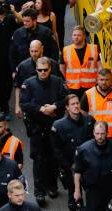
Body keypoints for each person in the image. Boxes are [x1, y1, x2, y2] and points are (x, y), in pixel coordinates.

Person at [20, 56, 69, 204]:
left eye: (45, 70)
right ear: (36, 70)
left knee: (54, 158)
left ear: (50, 69)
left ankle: (52, 186)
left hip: (54, 127)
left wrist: (54, 106)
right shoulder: (28, 84)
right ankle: (39, 191)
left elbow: (66, 98)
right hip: (37, 127)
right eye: (39, 70)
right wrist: (41, 109)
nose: (42, 72)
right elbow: (24, 104)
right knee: (39, 160)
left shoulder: (58, 82)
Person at [51, 94, 96, 210]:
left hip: (88, 164)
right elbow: (56, 149)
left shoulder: (89, 121)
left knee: (93, 193)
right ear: (67, 107)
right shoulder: (59, 126)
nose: (76, 106)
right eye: (73, 104)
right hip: (70, 165)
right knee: (74, 196)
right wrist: (66, 165)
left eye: (77, 103)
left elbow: (95, 141)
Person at [74, 121, 112, 211]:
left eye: (102, 134)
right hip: (93, 191)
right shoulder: (83, 149)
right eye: (97, 133)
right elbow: (77, 172)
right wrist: (77, 191)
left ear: (107, 133)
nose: (100, 137)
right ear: (93, 133)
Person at [14, 40, 59, 119]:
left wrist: (57, 106)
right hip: (32, 109)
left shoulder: (53, 64)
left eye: (36, 51)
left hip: (51, 107)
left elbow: (59, 85)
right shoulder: (23, 66)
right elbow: (18, 86)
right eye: (32, 51)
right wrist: (17, 106)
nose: (34, 54)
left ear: (42, 49)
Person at [61, 25, 102, 98]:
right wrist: (67, 79)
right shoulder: (66, 50)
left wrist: (99, 80)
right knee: (74, 107)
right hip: (73, 87)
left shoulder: (93, 49)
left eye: (78, 35)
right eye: (74, 35)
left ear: (84, 36)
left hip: (90, 86)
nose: (76, 37)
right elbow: (62, 67)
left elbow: (100, 67)